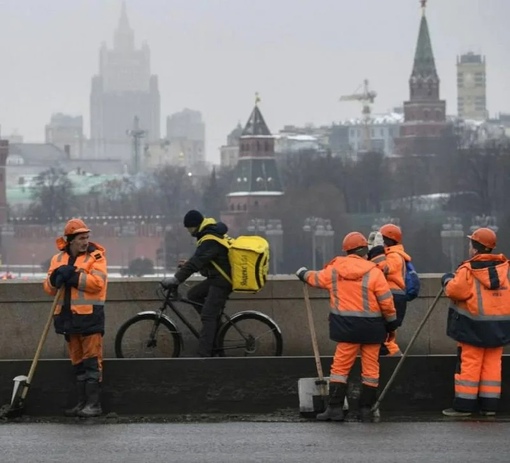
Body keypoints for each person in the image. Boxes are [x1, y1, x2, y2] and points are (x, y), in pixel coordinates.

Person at [296, 231, 398, 422]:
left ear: (347, 251)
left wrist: (302, 273)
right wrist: (391, 323)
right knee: (370, 369)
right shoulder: (374, 271)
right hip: (372, 329)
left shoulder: (335, 269)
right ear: (363, 251)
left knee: (340, 368)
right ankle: (366, 409)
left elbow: (316, 278)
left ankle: (334, 408)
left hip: (346, 329)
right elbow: (386, 301)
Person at [441, 227, 510, 417]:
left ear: (475, 248)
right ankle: (490, 406)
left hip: (472, 328)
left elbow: (455, 291)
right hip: (499, 328)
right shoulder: (505, 269)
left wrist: (447, 280)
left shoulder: (468, 270)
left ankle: (464, 406)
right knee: (492, 367)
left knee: (470, 365)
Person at [43, 218, 107, 417]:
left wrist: (73, 276)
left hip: (89, 318)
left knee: (91, 362)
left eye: (87, 237)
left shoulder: (96, 257)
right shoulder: (57, 260)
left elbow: (98, 283)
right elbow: (49, 289)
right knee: (78, 363)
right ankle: (82, 404)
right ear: (70, 240)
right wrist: (55, 278)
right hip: (67, 319)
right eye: (81, 238)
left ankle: (94, 405)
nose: (85, 241)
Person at [161, 210, 232, 357]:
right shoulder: (209, 234)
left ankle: (204, 354)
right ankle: (214, 330)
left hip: (222, 281)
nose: (188, 232)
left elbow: (196, 262)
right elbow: (206, 260)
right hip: (217, 277)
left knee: (208, 315)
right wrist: (188, 264)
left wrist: (176, 279)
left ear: (195, 226)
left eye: (189, 228)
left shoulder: (210, 239)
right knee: (193, 295)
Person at [368, 223, 412, 356]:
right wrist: (371, 250)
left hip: (392, 298)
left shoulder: (395, 256)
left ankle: (396, 362)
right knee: (386, 338)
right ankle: (396, 362)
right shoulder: (391, 254)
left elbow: (382, 268)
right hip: (391, 298)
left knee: (384, 338)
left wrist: (377, 250)